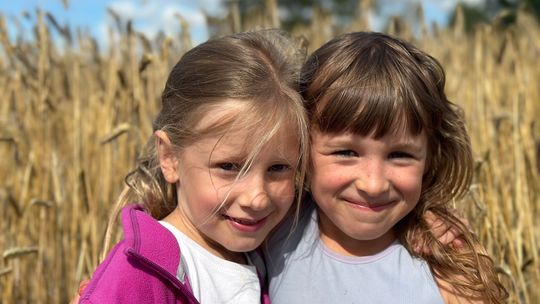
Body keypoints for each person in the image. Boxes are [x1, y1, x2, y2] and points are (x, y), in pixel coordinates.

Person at [266, 31, 508, 303]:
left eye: (399, 155)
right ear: (301, 149)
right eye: (346, 152)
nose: (373, 184)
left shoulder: (446, 265)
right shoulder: (273, 228)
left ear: (430, 158)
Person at [78, 29, 310, 304]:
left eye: (278, 168)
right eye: (229, 166)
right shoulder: (139, 272)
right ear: (170, 157)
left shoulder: (267, 255)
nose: (257, 198)